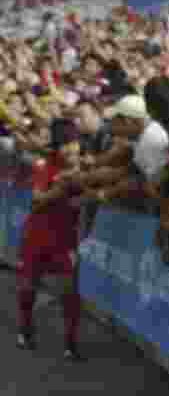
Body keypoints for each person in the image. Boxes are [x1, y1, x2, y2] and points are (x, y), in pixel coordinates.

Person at [16, 118, 84, 360]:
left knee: (69, 290)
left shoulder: (84, 167)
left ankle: (71, 343)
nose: (72, 149)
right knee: (28, 287)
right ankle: (25, 328)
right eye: (66, 144)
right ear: (57, 146)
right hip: (36, 236)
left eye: (74, 143)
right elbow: (37, 199)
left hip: (65, 239)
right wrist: (62, 186)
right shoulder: (43, 166)